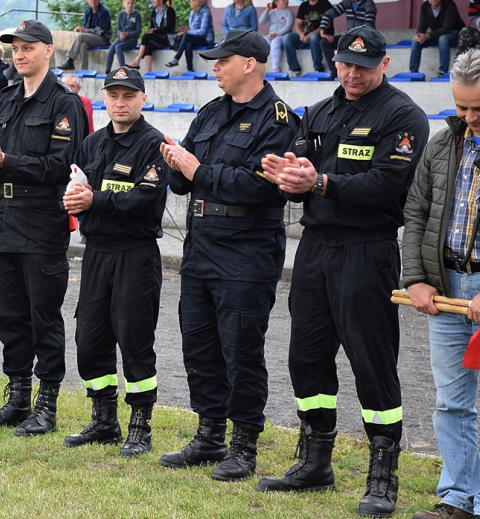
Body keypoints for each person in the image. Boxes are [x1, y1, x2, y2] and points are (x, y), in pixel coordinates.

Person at [258, 26, 430, 518]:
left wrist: (322, 183)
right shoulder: (319, 111)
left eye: (364, 65)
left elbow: (389, 183)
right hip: (315, 248)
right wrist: (289, 180)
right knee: (306, 358)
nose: (353, 73)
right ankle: (315, 462)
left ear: (385, 64)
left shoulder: (403, 116)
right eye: (345, 64)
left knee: (372, 362)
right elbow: (300, 174)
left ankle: (383, 475)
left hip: (366, 248)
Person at [158, 30, 299, 481]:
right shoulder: (211, 112)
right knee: (199, 346)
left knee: (240, 349)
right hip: (201, 246)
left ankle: (243, 445)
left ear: (250, 64)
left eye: (223, 60)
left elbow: (260, 185)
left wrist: (197, 169)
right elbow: (185, 178)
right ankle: (209, 433)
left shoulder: (277, 119)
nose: (215, 67)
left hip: (246, 249)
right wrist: (173, 163)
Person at [0, 20, 88, 436]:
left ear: (48, 51)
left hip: (40, 221)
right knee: (5, 314)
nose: (20, 54)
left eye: (28, 47)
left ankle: (46, 404)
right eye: (15, 48)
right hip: (1, 219)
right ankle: (17, 398)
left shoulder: (63, 104)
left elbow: (59, 167)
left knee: (43, 316)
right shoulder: (4, 100)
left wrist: (3, 162)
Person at [403, 48, 480, 519]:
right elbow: (416, 211)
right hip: (447, 285)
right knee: (450, 401)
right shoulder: (441, 144)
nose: (470, 117)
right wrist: (416, 278)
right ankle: (457, 497)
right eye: (462, 107)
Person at [62, 66, 167, 457]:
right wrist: (75, 199)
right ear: (104, 98)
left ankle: (140, 426)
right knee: (90, 340)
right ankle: (104, 420)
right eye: (113, 95)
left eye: (128, 95)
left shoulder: (154, 144)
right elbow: (78, 186)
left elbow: (142, 199)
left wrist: (95, 202)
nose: (120, 103)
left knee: (136, 341)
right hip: (97, 254)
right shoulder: (91, 143)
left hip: (134, 256)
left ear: (142, 98)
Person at [318, 0, 376, 78]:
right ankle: (335, 72)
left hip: (365, 38)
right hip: (350, 37)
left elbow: (368, 26)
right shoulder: (347, 2)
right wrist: (323, 32)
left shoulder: (369, 3)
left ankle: (357, 73)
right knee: (324, 42)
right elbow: (328, 14)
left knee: (356, 45)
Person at [411, 0, 465, 77]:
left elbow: (446, 29)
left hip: (455, 34)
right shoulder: (425, 7)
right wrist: (418, 35)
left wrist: (428, 35)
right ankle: (413, 72)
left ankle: (443, 71)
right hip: (437, 35)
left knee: (443, 39)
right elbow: (422, 27)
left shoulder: (449, 5)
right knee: (417, 41)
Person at [57, 0, 113, 70]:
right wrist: (80, 29)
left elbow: (100, 31)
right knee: (83, 45)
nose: (93, 1)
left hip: (103, 38)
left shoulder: (104, 12)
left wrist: (85, 31)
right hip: (92, 38)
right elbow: (86, 28)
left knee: (80, 36)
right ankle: (84, 69)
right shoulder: (88, 11)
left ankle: (70, 61)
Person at [283, 0, 332, 77]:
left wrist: (311, 34)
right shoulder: (303, 5)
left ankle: (318, 68)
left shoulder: (325, 4)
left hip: (322, 35)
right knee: (287, 38)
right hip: (306, 36)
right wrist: (301, 34)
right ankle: (295, 68)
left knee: (313, 37)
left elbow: (328, 24)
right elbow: (298, 23)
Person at [124, 0, 176, 73]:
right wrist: (151, 30)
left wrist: (154, 31)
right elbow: (152, 27)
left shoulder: (169, 10)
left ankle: (137, 61)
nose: (152, 1)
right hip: (158, 38)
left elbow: (169, 28)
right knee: (148, 45)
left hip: (167, 38)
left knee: (146, 37)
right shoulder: (154, 12)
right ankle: (149, 71)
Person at [165, 0, 215, 72]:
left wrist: (188, 31)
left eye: (192, 0)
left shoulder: (206, 12)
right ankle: (190, 69)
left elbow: (203, 32)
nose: (190, 2)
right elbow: (193, 30)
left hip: (206, 40)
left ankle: (176, 58)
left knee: (187, 36)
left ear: (198, 2)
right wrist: (186, 30)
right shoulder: (192, 13)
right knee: (189, 43)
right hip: (196, 38)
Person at [106, 0, 142, 74]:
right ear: (124, 3)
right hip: (122, 37)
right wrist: (121, 34)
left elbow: (138, 31)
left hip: (132, 38)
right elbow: (118, 29)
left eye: (131, 3)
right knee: (112, 47)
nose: (130, 5)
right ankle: (107, 70)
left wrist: (128, 34)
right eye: (128, 3)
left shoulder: (137, 15)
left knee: (118, 47)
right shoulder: (121, 14)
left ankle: (122, 69)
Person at [258, 0, 294, 74]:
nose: (286, 1)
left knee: (274, 43)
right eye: (283, 0)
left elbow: (289, 26)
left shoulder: (289, 12)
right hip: (271, 35)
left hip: (282, 35)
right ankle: (259, 67)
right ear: (276, 2)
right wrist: (267, 11)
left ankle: (275, 68)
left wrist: (277, 34)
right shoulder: (272, 12)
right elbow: (261, 21)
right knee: (259, 42)